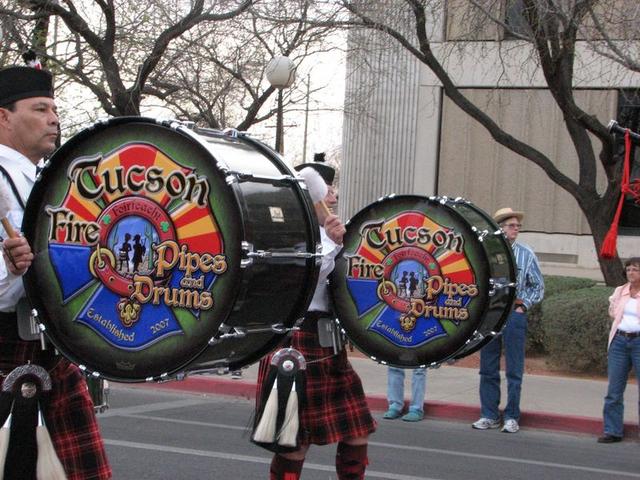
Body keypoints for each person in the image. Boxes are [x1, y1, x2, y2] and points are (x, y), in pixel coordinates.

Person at [0, 66, 111, 479]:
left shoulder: (49, 181)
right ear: (3, 116)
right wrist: (8, 266)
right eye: (40, 108)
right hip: (8, 348)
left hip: (51, 354)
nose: (54, 119)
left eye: (55, 109)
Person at [256, 162, 376, 480]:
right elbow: (302, 276)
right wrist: (334, 244)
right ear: (312, 198)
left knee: (357, 429)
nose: (333, 195)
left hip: (328, 342)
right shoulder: (283, 229)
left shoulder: (331, 233)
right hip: (294, 341)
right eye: (327, 189)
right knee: (293, 444)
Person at [472, 207, 544, 434]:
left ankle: (512, 416)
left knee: (514, 368)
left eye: (517, 226)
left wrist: (524, 306)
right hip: (491, 314)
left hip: (514, 313)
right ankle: (489, 414)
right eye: (512, 225)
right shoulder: (486, 253)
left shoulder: (526, 253)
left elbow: (538, 286)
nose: (516, 229)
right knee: (488, 368)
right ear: (500, 229)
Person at [598, 257, 640, 443]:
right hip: (620, 342)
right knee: (614, 389)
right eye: (629, 269)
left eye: (635, 270)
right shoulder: (620, 291)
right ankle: (612, 431)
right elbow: (613, 312)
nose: (631, 272)